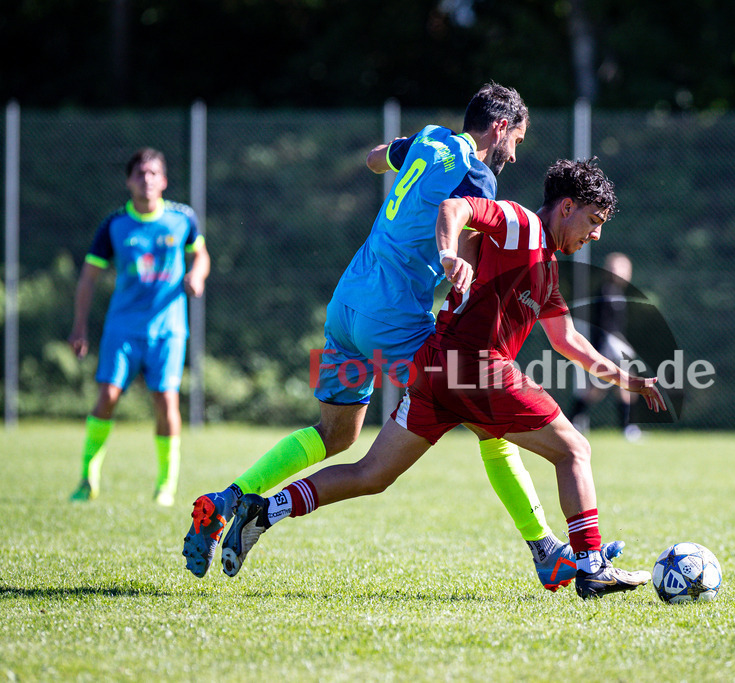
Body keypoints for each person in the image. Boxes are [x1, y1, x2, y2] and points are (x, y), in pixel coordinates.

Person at [183, 83, 620, 589]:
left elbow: (374, 159)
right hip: (392, 317)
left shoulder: (431, 138)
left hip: (347, 303)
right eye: (517, 139)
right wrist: (454, 258)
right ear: (500, 127)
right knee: (482, 411)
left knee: (337, 434)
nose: (516, 153)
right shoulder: (478, 177)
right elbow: (466, 235)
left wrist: (407, 163)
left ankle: (226, 500)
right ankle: (546, 550)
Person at [220, 158, 666, 600]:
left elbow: (567, 340)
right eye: (594, 220)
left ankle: (263, 511)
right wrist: (449, 253)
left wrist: (628, 380)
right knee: (574, 449)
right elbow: (455, 209)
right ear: (566, 207)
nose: (596, 235)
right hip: (477, 367)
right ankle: (591, 565)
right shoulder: (521, 223)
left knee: (371, 474)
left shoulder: (546, 265)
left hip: (438, 372)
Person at [69, 147, 210, 506]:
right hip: (123, 329)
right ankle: (88, 476)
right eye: (139, 174)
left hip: (168, 329)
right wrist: (80, 326)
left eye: (153, 173)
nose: (146, 180)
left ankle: (166, 485)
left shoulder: (182, 218)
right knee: (108, 397)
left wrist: (196, 274)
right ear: (129, 181)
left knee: (165, 400)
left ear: (163, 180)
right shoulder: (115, 225)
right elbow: (88, 278)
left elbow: (201, 254)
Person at [569, 252, 643, 441]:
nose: (622, 272)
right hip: (606, 351)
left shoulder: (616, 293)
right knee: (622, 386)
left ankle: (573, 421)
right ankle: (628, 428)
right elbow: (605, 328)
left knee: (599, 390)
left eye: (625, 269)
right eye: (618, 268)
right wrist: (617, 347)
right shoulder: (606, 292)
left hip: (611, 350)